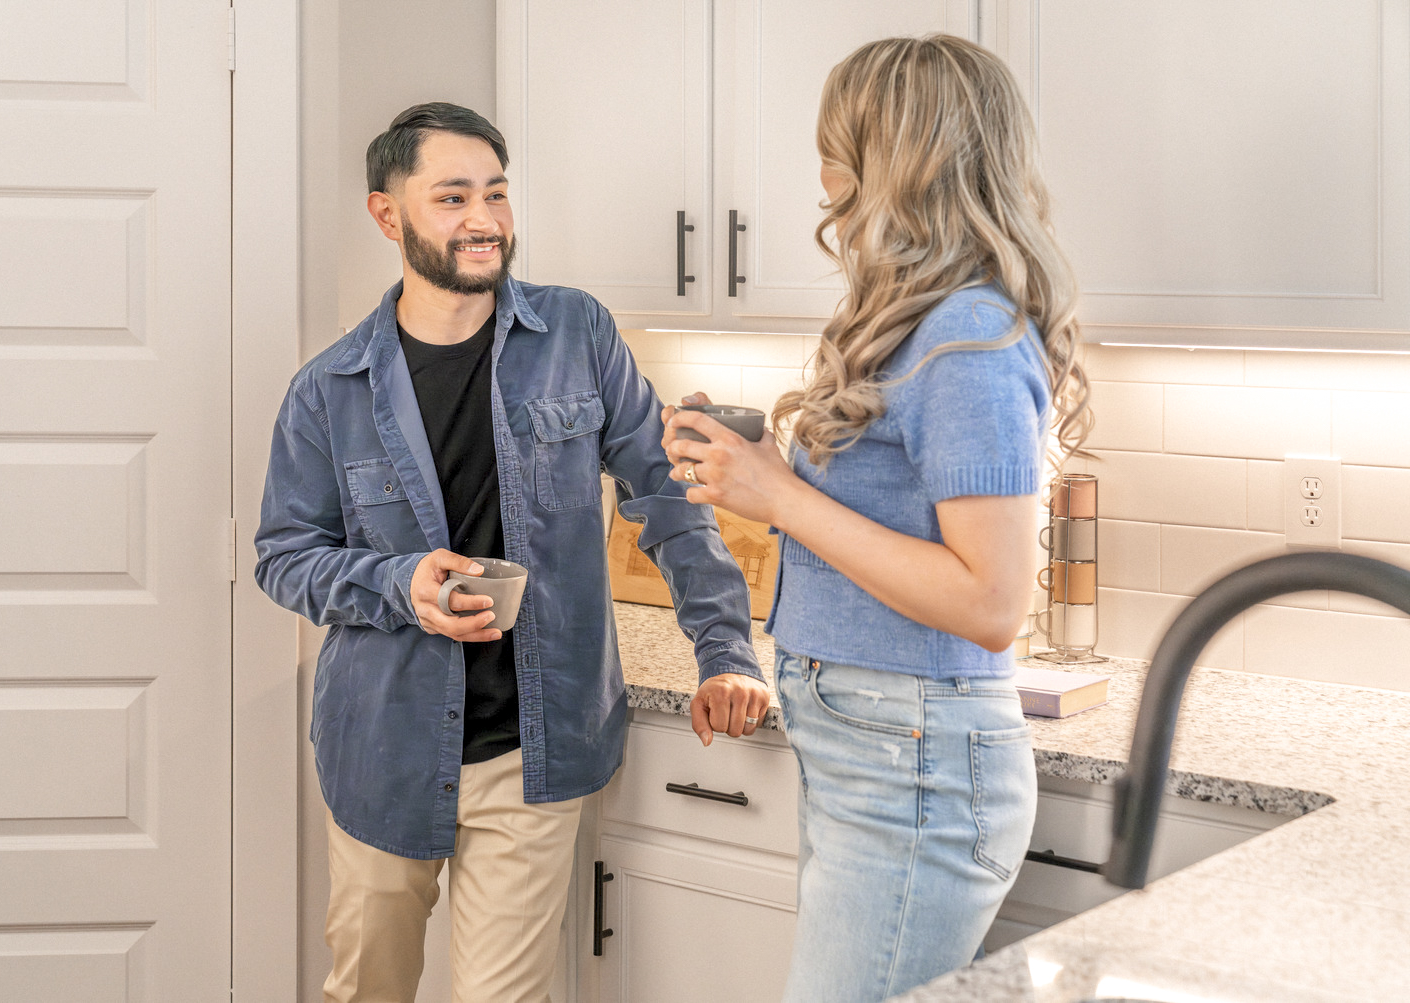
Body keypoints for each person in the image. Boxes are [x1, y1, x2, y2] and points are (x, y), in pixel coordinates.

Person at [254, 102, 770, 1003]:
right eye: (452, 197)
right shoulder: (327, 389)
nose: (484, 218)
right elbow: (284, 555)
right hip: (383, 746)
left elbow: (665, 496)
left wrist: (725, 649)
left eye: (495, 193)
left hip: (536, 748)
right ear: (388, 215)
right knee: (366, 991)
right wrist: (397, 584)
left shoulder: (577, 334)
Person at [662, 36, 1091, 1001]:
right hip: (878, 747)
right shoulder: (920, 317)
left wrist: (781, 496)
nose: (823, 174)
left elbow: (990, 602)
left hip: (914, 759)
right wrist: (760, 472)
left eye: (837, 145)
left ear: (899, 156)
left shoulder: (969, 336)